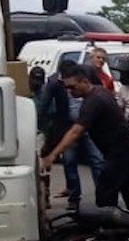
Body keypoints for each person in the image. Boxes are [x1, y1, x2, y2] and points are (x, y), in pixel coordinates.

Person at [40, 63, 129, 212]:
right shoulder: (98, 93)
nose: (69, 91)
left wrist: (53, 155)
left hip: (122, 152)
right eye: (66, 88)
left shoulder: (94, 100)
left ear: (84, 81)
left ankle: (111, 222)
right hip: (125, 151)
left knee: (106, 194)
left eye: (72, 87)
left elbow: (76, 131)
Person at [39, 65, 103, 212]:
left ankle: (103, 197)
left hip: (88, 126)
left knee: (97, 161)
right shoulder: (55, 83)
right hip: (69, 127)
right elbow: (45, 104)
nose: (69, 89)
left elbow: (99, 89)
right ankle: (74, 198)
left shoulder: (87, 78)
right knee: (69, 162)